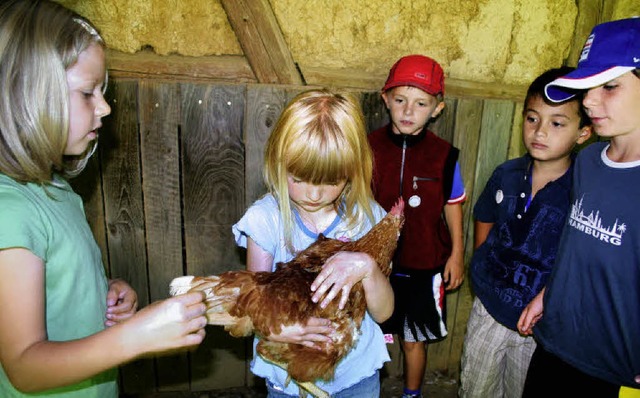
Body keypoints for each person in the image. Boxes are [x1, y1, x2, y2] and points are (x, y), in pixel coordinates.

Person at [0, 1, 208, 396]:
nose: (105, 106)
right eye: (86, 93)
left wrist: (102, 290)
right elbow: (24, 367)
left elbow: (53, 286)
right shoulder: (9, 212)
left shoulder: (54, 191)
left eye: (103, 91)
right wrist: (136, 336)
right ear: (26, 95)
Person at [232, 89, 394, 397]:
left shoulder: (368, 218)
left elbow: (385, 313)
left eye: (331, 181)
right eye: (300, 177)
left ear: (352, 171)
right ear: (279, 162)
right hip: (291, 379)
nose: (314, 194)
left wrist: (367, 267)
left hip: (355, 376)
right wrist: (285, 330)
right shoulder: (265, 220)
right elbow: (254, 305)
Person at [518, 17, 640, 397]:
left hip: (615, 366)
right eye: (588, 87)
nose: (588, 100)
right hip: (555, 341)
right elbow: (578, 246)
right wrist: (548, 293)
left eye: (609, 86)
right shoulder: (588, 162)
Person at [457, 67, 592, 398]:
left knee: (524, 388)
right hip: (490, 306)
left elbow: (579, 258)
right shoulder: (507, 174)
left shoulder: (583, 191)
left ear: (583, 133)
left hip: (538, 325)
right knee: (476, 384)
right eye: (533, 119)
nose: (540, 132)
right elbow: (485, 214)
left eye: (557, 123)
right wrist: (484, 264)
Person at [368, 54, 466, 398]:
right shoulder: (367, 148)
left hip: (425, 264)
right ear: (386, 99)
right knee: (373, 333)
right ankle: (365, 387)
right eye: (400, 100)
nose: (409, 111)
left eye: (421, 103)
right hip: (374, 266)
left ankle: (412, 394)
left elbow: (454, 206)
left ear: (437, 108)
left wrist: (456, 254)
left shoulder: (445, 155)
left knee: (413, 338)